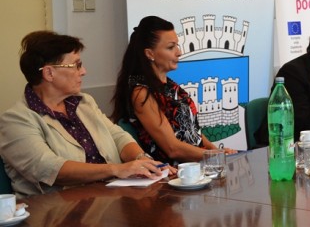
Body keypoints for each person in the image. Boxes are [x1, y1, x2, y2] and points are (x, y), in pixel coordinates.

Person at [0, 31, 170, 197]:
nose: (83, 71)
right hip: (58, 210)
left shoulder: (84, 102)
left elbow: (117, 136)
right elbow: (49, 168)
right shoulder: (15, 121)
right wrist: (116, 170)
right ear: (49, 73)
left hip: (111, 198)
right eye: (76, 65)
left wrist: (141, 159)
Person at [111, 16, 235, 164]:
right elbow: (172, 149)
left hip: (198, 164)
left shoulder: (169, 85)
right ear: (150, 54)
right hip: (175, 172)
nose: (179, 52)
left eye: (177, 45)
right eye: (171, 47)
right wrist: (214, 155)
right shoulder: (141, 93)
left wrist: (217, 153)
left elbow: (193, 132)